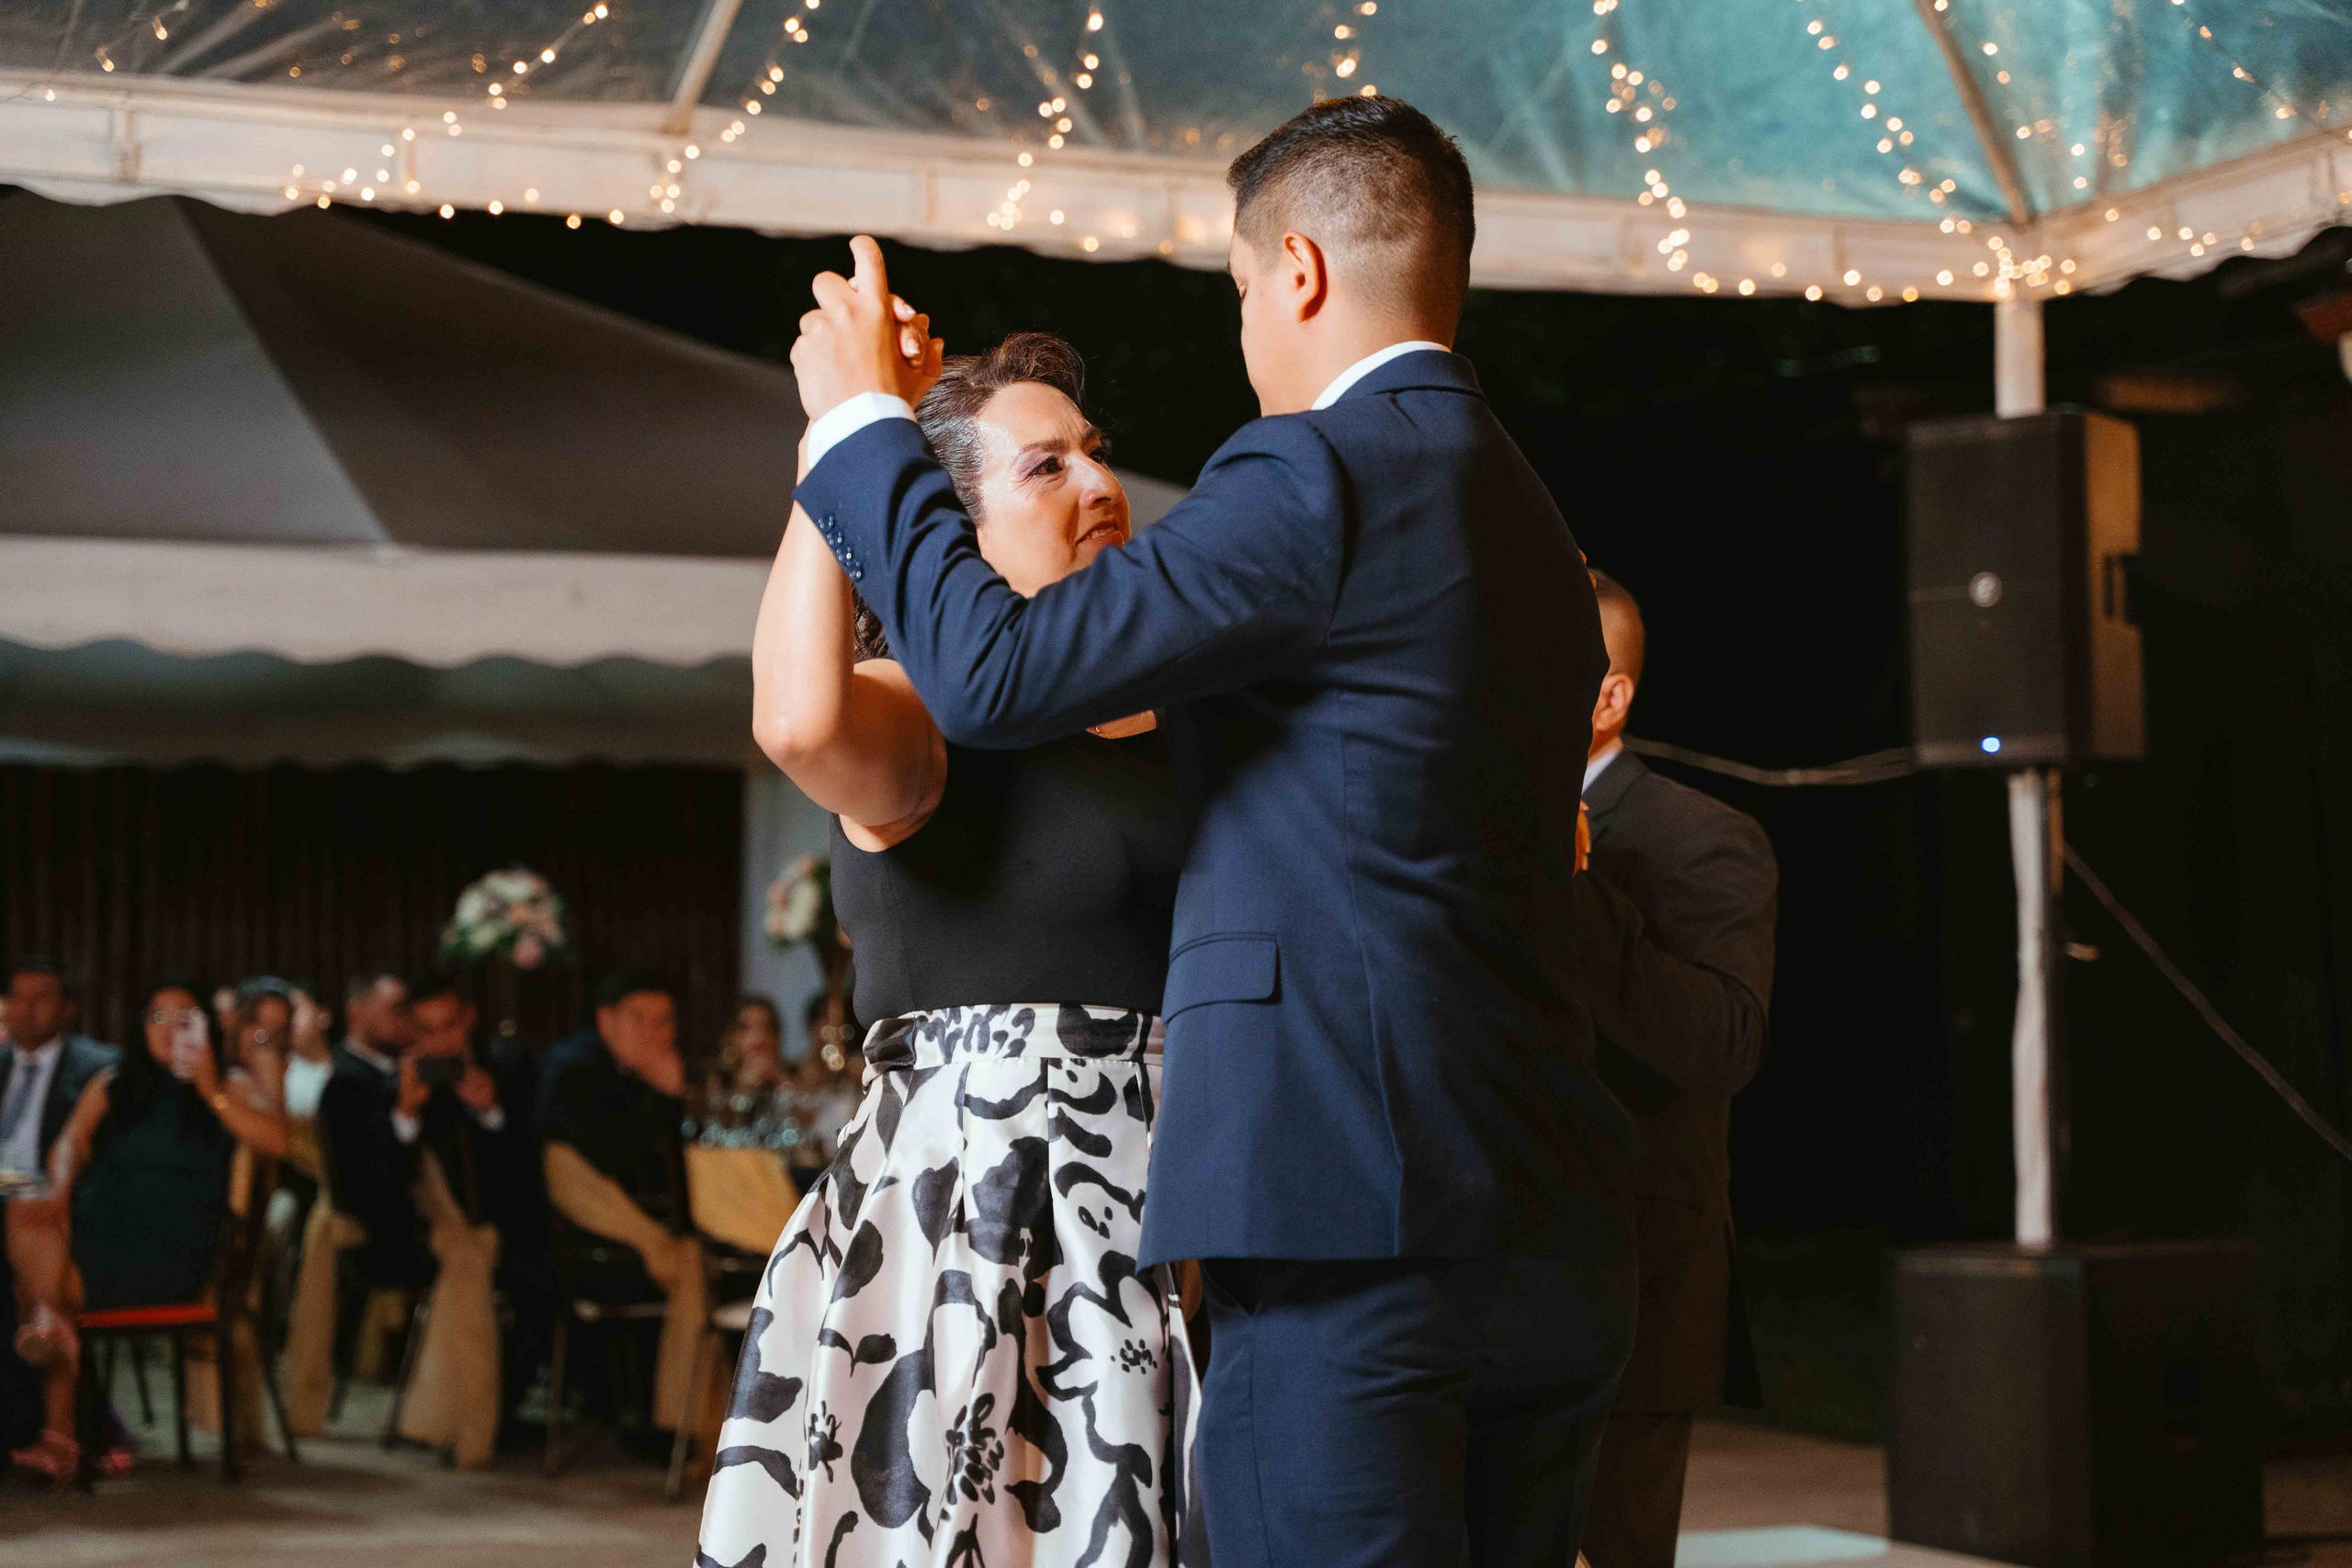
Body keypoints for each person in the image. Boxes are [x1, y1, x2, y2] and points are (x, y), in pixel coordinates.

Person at [785, 95, 1636, 1566]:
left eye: (1240, 290)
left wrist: (861, 425)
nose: (1246, 329)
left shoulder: (1320, 468)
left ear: (1296, 271)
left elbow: (995, 676)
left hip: (1352, 1220)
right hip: (1550, 1216)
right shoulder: (1526, 518)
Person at [696, 333, 1195, 1568]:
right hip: (986, 1216)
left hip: (1191, 1198)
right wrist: (847, 435)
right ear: (952, 531)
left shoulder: (1185, 714)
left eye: (1096, 451)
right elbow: (797, 721)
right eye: (1047, 465)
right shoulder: (922, 712)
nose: (1100, 483)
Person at [1573, 573, 1779, 1568]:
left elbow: (1723, 1044)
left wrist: (1574, 887)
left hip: (1632, 1277)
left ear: (1608, 696)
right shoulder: (1456, 826)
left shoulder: (1699, 837)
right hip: (1477, 1274)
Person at [535, 969, 704, 1440]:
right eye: (638, 1019)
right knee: (708, 1263)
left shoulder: (631, 1071)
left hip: (637, 1235)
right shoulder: (575, 1069)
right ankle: (678, 1430)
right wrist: (666, 1097)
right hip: (580, 1253)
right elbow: (607, 1157)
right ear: (606, 1021)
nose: (654, 1033)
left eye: (664, 1021)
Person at [1, 958, 120, 1479]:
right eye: (15, 998)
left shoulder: (101, 1068)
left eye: (41, 997)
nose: (24, 1009)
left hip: (62, 1208)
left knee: (28, 1227)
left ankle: (48, 1429)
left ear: (69, 1008)